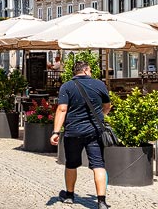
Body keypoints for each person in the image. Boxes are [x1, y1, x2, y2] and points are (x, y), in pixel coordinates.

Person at [50, 61, 111, 209]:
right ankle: (101, 201)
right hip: (95, 131)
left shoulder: (67, 86)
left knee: (71, 164)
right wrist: (100, 115)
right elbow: (107, 105)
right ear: (85, 71)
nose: (90, 73)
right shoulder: (99, 85)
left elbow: (62, 109)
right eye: (89, 70)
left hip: (73, 131)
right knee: (98, 165)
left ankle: (70, 195)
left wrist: (56, 132)